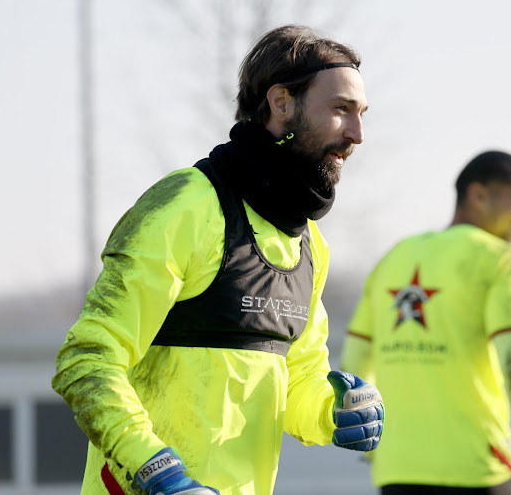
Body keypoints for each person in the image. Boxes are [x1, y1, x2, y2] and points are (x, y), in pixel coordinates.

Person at [52, 25, 384, 495]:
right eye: (341, 109)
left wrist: (337, 411)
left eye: (361, 114)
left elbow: (298, 380)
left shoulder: (309, 241)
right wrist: (158, 473)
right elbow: (88, 360)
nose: (357, 134)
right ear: (281, 103)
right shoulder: (185, 204)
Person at [340, 151, 511, 495]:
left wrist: (374, 448)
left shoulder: (394, 257)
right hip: (481, 471)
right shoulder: (504, 261)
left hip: (397, 472)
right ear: (478, 194)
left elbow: (353, 369)